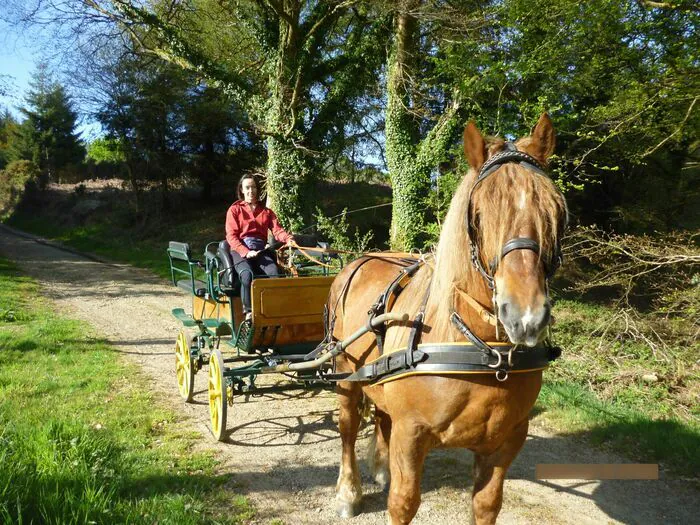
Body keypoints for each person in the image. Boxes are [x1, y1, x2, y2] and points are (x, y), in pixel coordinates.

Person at [225, 173, 294, 321]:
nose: (251, 191)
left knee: (275, 273)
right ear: (242, 190)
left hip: (261, 250)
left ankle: (271, 309)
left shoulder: (267, 212)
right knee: (246, 274)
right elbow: (231, 236)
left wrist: (288, 239)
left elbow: (277, 231)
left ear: (257, 189)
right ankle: (248, 312)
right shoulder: (235, 210)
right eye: (247, 188)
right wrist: (246, 252)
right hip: (240, 249)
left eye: (254, 187)